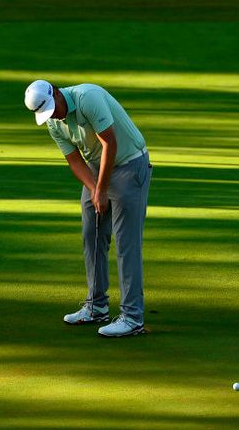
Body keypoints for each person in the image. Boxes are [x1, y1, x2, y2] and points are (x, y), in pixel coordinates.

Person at [24, 80, 152, 337]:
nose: (54, 116)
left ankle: (132, 317)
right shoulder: (53, 122)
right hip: (97, 168)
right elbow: (74, 160)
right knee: (91, 235)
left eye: (53, 109)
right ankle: (96, 306)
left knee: (126, 243)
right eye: (47, 114)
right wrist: (94, 189)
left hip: (129, 164)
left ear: (56, 93)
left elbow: (110, 143)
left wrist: (101, 190)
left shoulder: (88, 97)